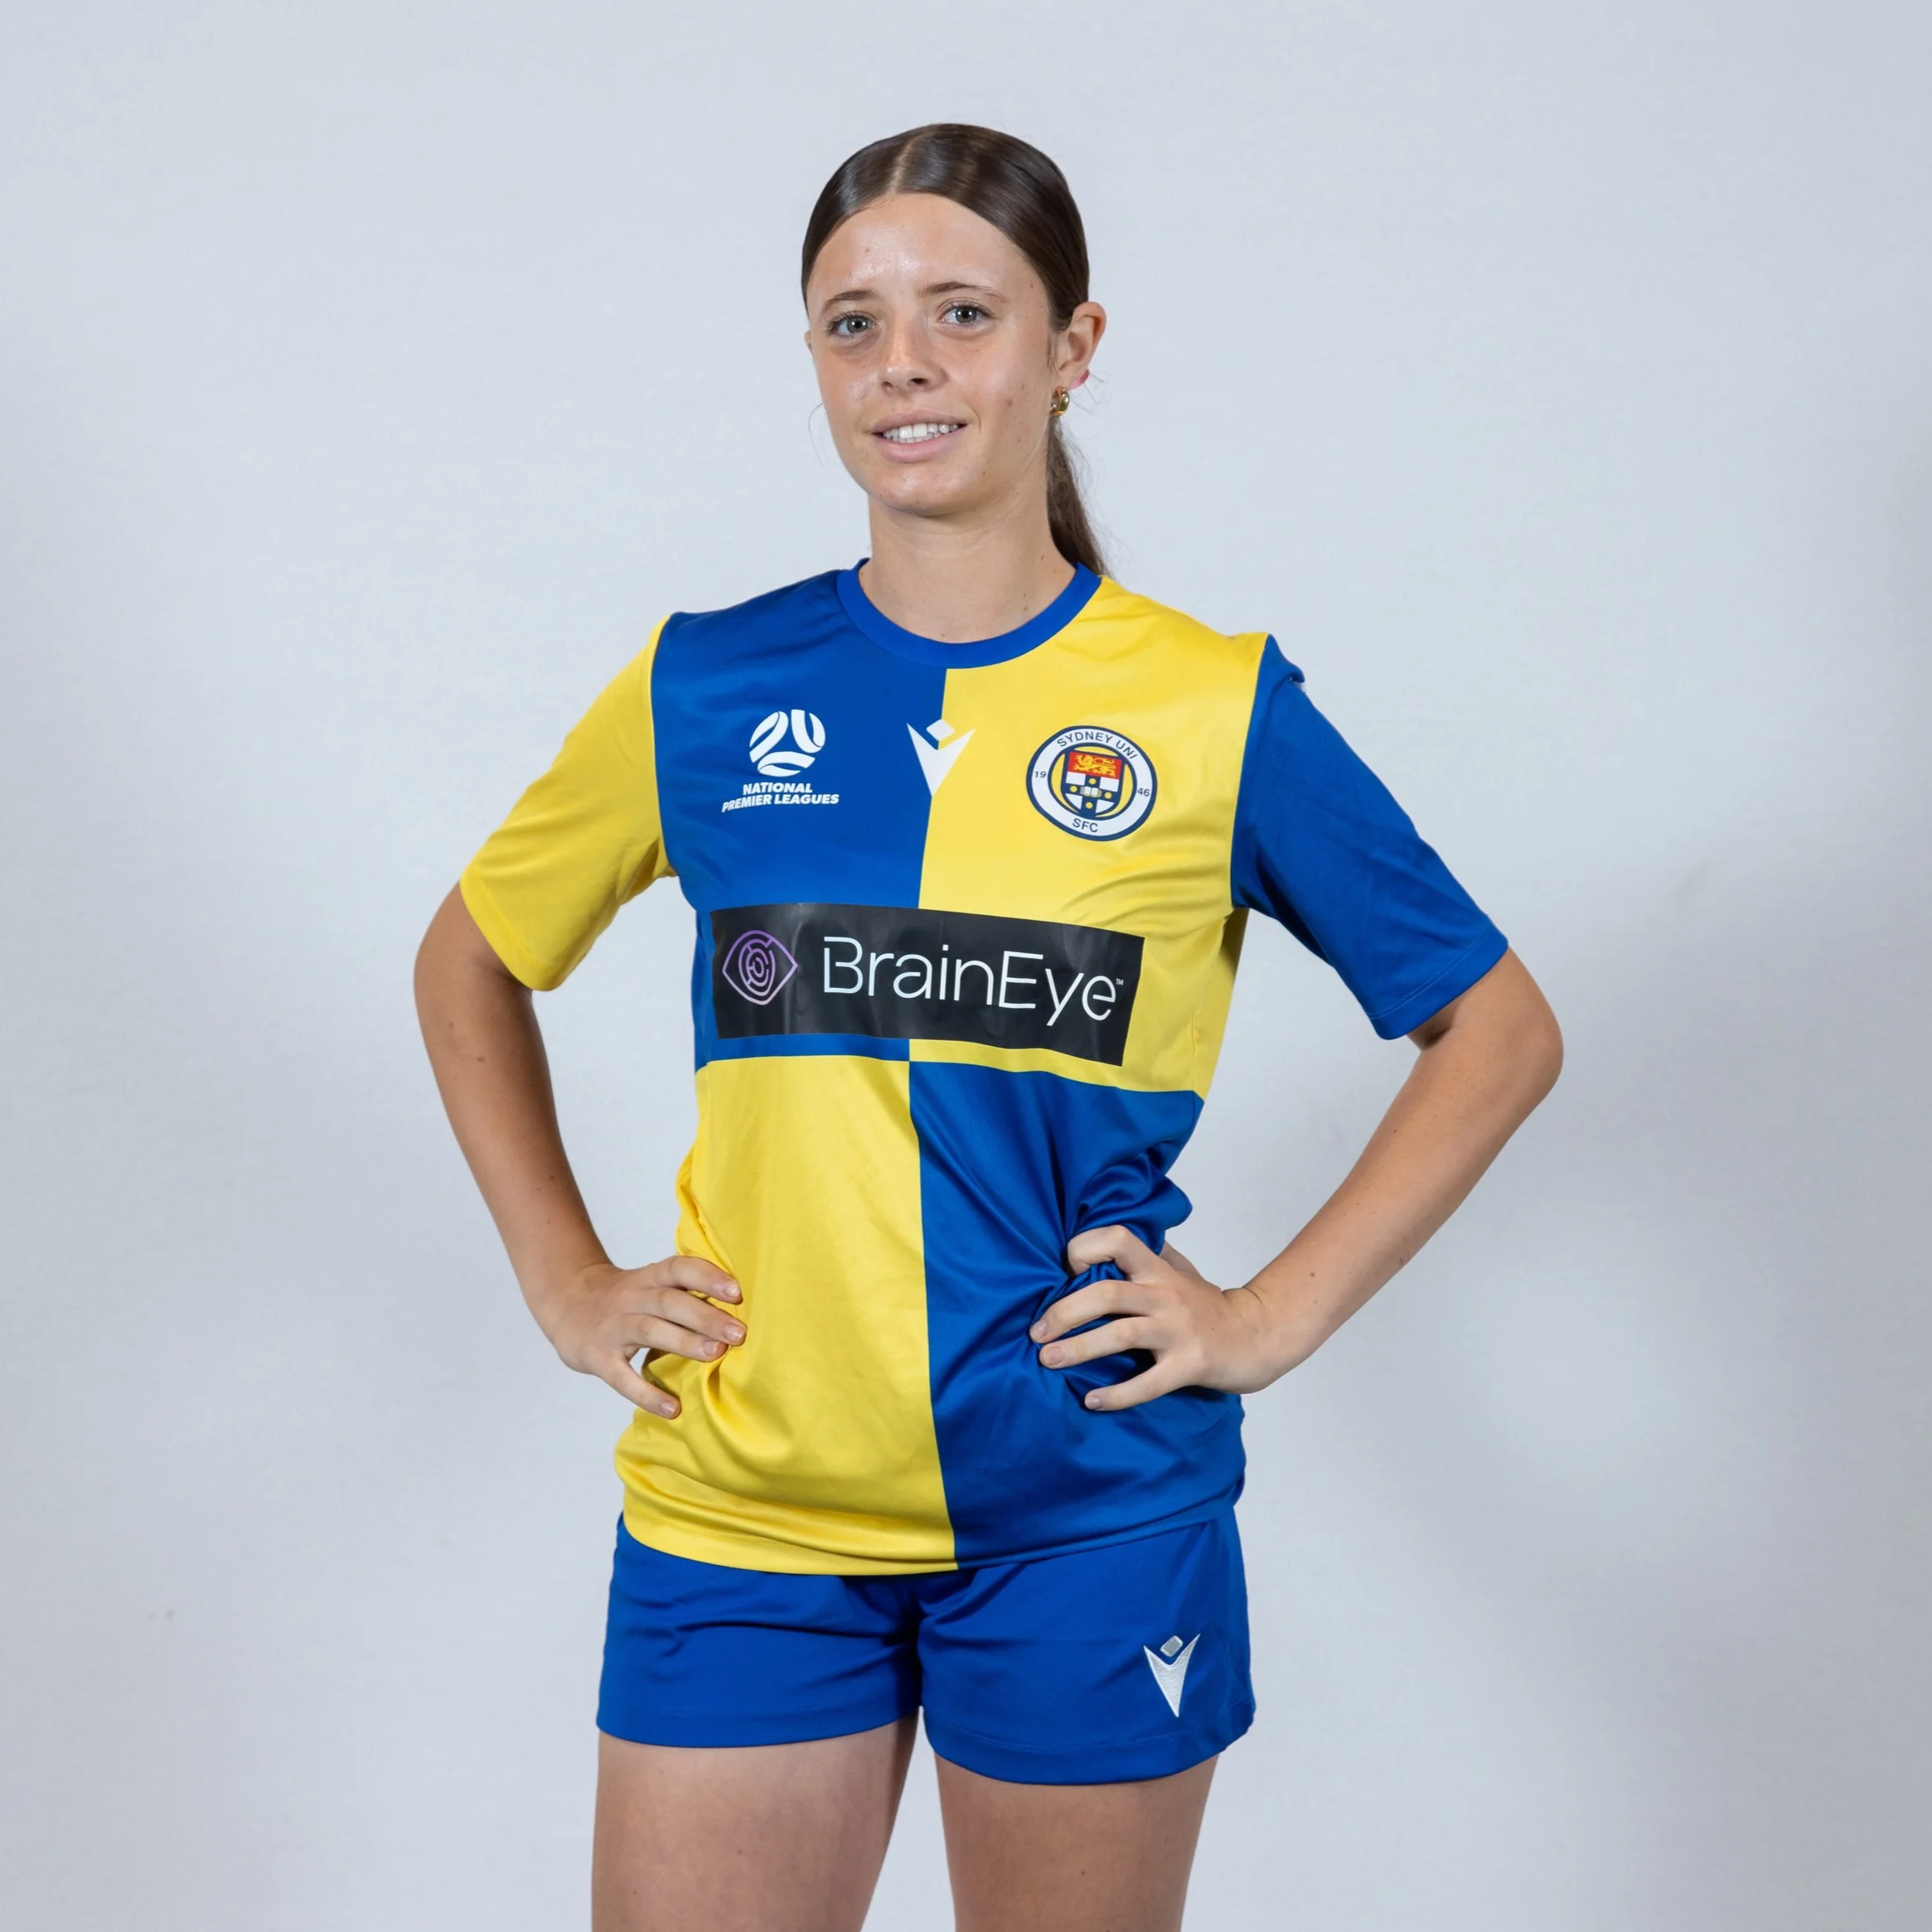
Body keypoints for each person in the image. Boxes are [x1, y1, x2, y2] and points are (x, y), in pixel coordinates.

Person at [414, 122, 1562, 1932]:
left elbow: (1495, 1027)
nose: (905, 365)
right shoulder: (705, 684)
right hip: (744, 1507)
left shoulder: (1209, 707)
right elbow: (470, 959)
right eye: (853, 323)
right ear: (813, 361)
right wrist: (565, 1281)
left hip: (1083, 1510)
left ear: (1071, 347)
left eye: (963, 312)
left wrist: (1268, 1315)